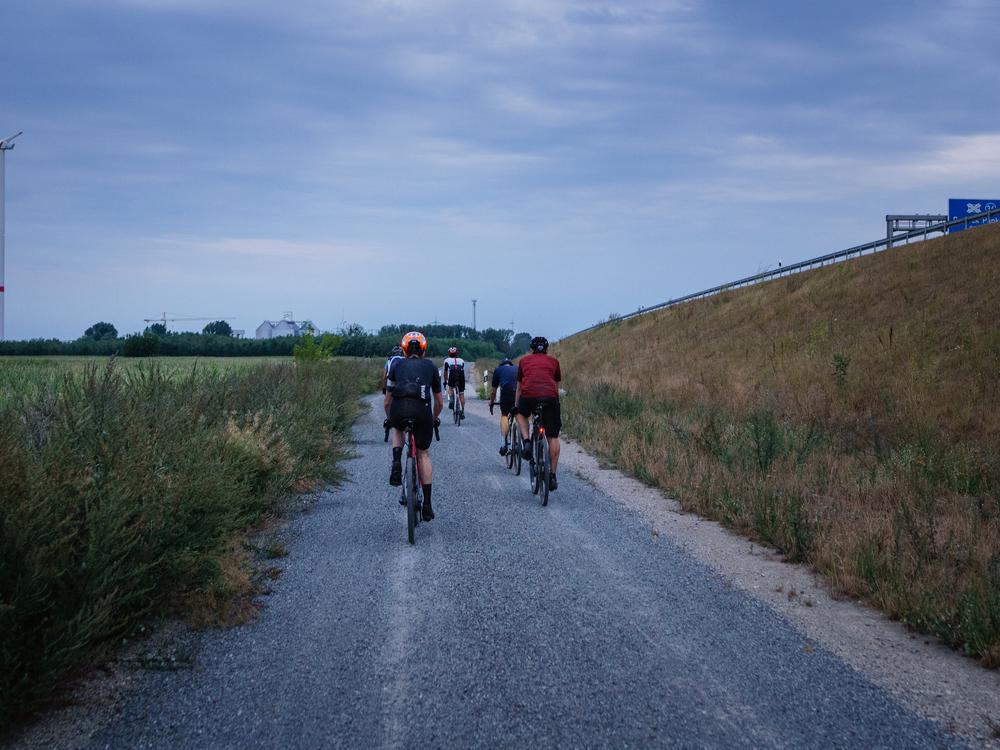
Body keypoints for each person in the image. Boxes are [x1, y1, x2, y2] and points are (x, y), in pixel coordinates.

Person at [385, 331, 443, 521]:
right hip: (422, 412)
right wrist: (434, 418)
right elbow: (440, 402)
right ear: (423, 350)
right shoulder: (431, 367)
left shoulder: (396, 365)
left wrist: (390, 418)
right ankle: (427, 505)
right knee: (423, 453)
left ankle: (396, 461)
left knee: (397, 427)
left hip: (399, 410)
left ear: (404, 350)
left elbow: (387, 400)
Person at [514, 336, 562, 491]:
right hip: (550, 399)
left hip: (529, 397)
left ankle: (527, 442)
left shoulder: (524, 361)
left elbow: (520, 387)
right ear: (547, 349)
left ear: (531, 349)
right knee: (553, 437)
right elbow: (555, 386)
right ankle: (552, 476)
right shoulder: (554, 362)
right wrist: (555, 402)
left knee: (521, 414)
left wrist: (516, 405)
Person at [489, 357, 518, 455]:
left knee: (505, 415)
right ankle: (522, 438)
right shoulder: (517, 368)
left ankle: (504, 445)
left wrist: (491, 402)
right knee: (520, 414)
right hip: (519, 392)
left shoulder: (498, 370)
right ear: (511, 364)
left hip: (507, 391)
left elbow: (493, 391)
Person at [442, 346, 466, 419]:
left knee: (450, 387)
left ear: (449, 353)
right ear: (457, 353)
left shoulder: (446, 360)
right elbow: (462, 370)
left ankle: (452, 399)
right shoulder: (462, 360)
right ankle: (462, 411)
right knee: (461, 393)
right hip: (461, 375)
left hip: (452, 373)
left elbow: (445, 372)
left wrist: (445, 381)